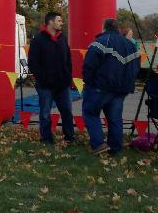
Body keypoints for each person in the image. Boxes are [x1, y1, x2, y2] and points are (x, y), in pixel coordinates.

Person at [82, 18, 140, 156]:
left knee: (90, 112)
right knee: (115, 118)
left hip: (100, 87)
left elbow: (89, 65)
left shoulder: (100, 42)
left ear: (104, 28)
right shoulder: (131, 45)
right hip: (121, 89)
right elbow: (136, 67)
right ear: (117, 29)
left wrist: (89, 82)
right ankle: (115, 148)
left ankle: (98, 143)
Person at [28, 11, 75, 146]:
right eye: (59, 21)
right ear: (51, 22)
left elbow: (68, 59)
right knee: (45, 114)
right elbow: (33, 62)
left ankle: (70, 138)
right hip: (45, 86)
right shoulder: (38, 40)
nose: (61, 23)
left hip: (62, 85)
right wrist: (42, 78)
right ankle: (47, 139)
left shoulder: (62, 38)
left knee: (67, 111)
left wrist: (68, 76)